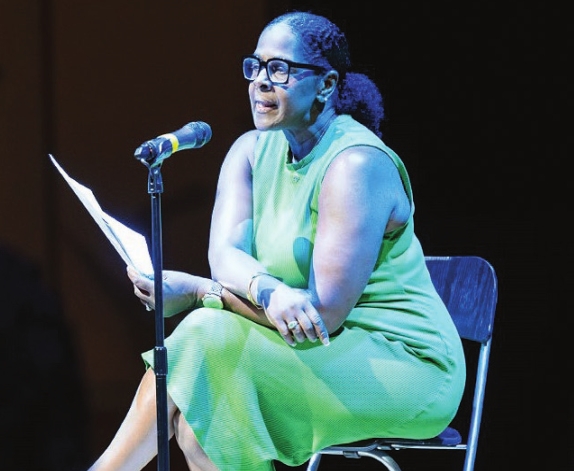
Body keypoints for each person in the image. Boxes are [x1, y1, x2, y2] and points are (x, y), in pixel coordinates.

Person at [87, 10, 466, 471]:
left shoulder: (355, 165)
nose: (261, 81)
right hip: (320, 350)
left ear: (326, 84)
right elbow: (225, 256)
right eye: (255, 66)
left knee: (204, 337)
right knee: (201, 418)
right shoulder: (250, 152)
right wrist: (265, 289)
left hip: (401, 364)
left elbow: (321, 315)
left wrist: (202, 293)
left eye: (280, 68)